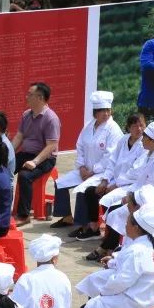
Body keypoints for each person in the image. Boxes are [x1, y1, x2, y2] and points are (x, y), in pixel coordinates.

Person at [91, 121, 154, 262]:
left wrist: (133, 197)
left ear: (153, 141)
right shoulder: (149, 154)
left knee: (116, 212)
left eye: (145, 137)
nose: (142, 139)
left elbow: (152, 187)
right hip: (136, 191)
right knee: (111, 206)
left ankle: (108, 248)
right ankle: (109, 247)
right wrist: (128, 193)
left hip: (147, 200)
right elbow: (138, 177)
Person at [50, 90, 123, 230]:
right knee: (60, 183)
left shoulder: (114, 129)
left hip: (102, 173)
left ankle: (83, 225)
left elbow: (110, 156)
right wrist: (82, 166)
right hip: (85, 170)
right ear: (95, 112)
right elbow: (80, 146)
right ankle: (67, 217)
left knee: (82, 189)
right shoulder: (89, 126)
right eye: (102, 111)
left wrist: (93, 171)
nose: (106, 114)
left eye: (108, 110)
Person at [78, 113, 146, 242]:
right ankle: (94, 228)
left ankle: (111, 238)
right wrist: (105, 180)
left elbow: (135, 172)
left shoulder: (144, 145)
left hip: (130, 184)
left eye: (141, 125)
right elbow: (112, 161)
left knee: (108, 201)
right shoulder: (123, 140)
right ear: (128, 127)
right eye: (135, 126)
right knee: (91, 191)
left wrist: (116, 185)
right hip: (115, 181)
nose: (139, 129)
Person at [12, 82, 61, 226]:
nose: (26, 97)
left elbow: (51, 145)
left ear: (40, 98)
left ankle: (24, 215)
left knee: (24, 176)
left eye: (29, 94)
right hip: (26, 154)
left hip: (45, 158)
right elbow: (19, 137)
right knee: (2, 168)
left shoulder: (51, 118)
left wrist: (35, 162)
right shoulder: (26, 114)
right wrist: (8, 155)